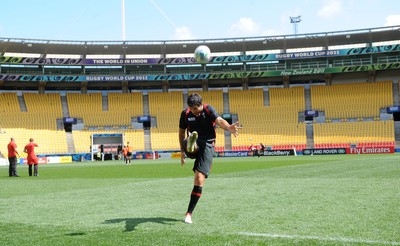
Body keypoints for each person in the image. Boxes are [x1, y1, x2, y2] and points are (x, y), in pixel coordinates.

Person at [179, 93, 242, 224]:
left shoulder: (209, 110)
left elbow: (219, 121)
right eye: (191, 109)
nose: (194, 112)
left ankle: (189, 213)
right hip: (195, 144)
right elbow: (180, 132)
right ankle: (190, 144)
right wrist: (181, 151)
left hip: (207, 144)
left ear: (201, 105)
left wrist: (228, 127)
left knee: (199, 179)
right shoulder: (185, 114)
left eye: (196, 109)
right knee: (187, 143)